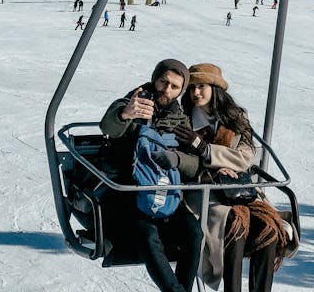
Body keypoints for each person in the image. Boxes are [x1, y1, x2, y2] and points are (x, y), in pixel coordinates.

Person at [180, 63, 290, 292]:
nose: (196, 93)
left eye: (201, 87)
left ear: (215, 88)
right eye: (192, 88)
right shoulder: (186, 120)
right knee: (233, 222)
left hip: (237, 186)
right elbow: (184, 159)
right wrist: (214, 166)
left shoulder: (235, 117)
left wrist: (208, 151)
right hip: (204, 190)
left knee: (267, 226)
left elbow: (246, 155)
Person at [100, 59, 203, 291]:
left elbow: (194, 164)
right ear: (155, 79)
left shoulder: (180, 119)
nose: (167, 90)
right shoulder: (133, 101)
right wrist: (125, 115)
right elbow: (108, 127)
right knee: (148, 235)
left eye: (174, 86)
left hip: (166, 194)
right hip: (129, 194)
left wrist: (178, 159)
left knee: (194, 233)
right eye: (163, 82)